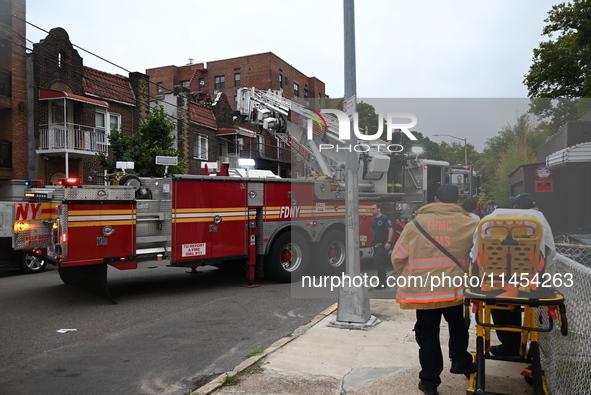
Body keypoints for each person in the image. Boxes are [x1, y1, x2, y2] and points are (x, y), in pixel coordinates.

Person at [391, 185, 479, 395]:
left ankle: (430, 381)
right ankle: (460, 360)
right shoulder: (471, 223)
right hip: (455, 291)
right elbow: (478, 256)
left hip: (424, 293)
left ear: (435, 199)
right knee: (458, 325)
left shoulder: (415, 224)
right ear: (457, 201)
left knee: (428, 334)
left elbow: (397, 257)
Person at [473, 192, 555, 357]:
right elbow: (549, 253)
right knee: (517, 304)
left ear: (519, 206)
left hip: (495, 281)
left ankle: (509, 345)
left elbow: (475, 253)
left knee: (499, 305)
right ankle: (519, 345)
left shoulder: (492, 224)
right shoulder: (537, 225)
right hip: (527, 281)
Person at [371, 202, 394, 288]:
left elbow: (390, 230)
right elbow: (374, 231)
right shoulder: (373, 220)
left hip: (384, 244)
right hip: (376, 244)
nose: (372, 210)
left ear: (379, 209)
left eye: (374, 209)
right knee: (380, 262)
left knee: (377, 261)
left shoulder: (384, 218)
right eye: (371, 209)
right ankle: (383, 282)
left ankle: (382, 281)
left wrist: (389, 242)